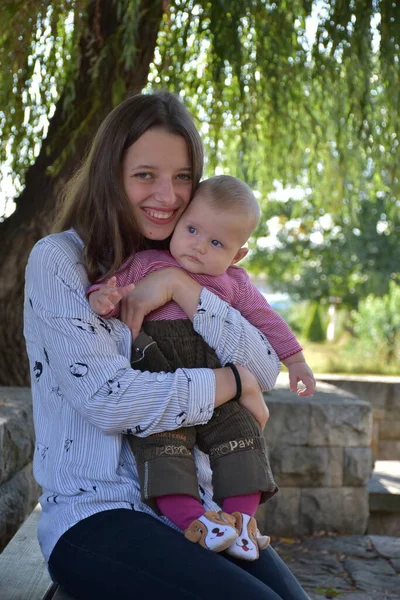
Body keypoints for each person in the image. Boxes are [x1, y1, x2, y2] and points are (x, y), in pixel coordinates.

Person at [24, 91, 311, 599]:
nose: (167, 195)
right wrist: (231, 381)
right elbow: (111, 400)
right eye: (145, 175)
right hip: (97, 515)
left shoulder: (194, 260)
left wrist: (184, 287)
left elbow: (267, 365)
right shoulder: (61, 261)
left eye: (182, 176)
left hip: (202, 511)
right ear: (110, 175)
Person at [87, 174, 315, 561]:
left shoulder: (234, 283)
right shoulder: (146, 263)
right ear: (177, 223)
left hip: (220, 387)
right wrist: (103, 297)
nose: (197, 246)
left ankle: (242, 520)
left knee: (243, 437)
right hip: (159, 381)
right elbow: (113, 290)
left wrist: (296, 361)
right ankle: (194, 521)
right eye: (191, 229)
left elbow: (267, 320)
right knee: (162, 449)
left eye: (216, 243)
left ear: (237, 254)